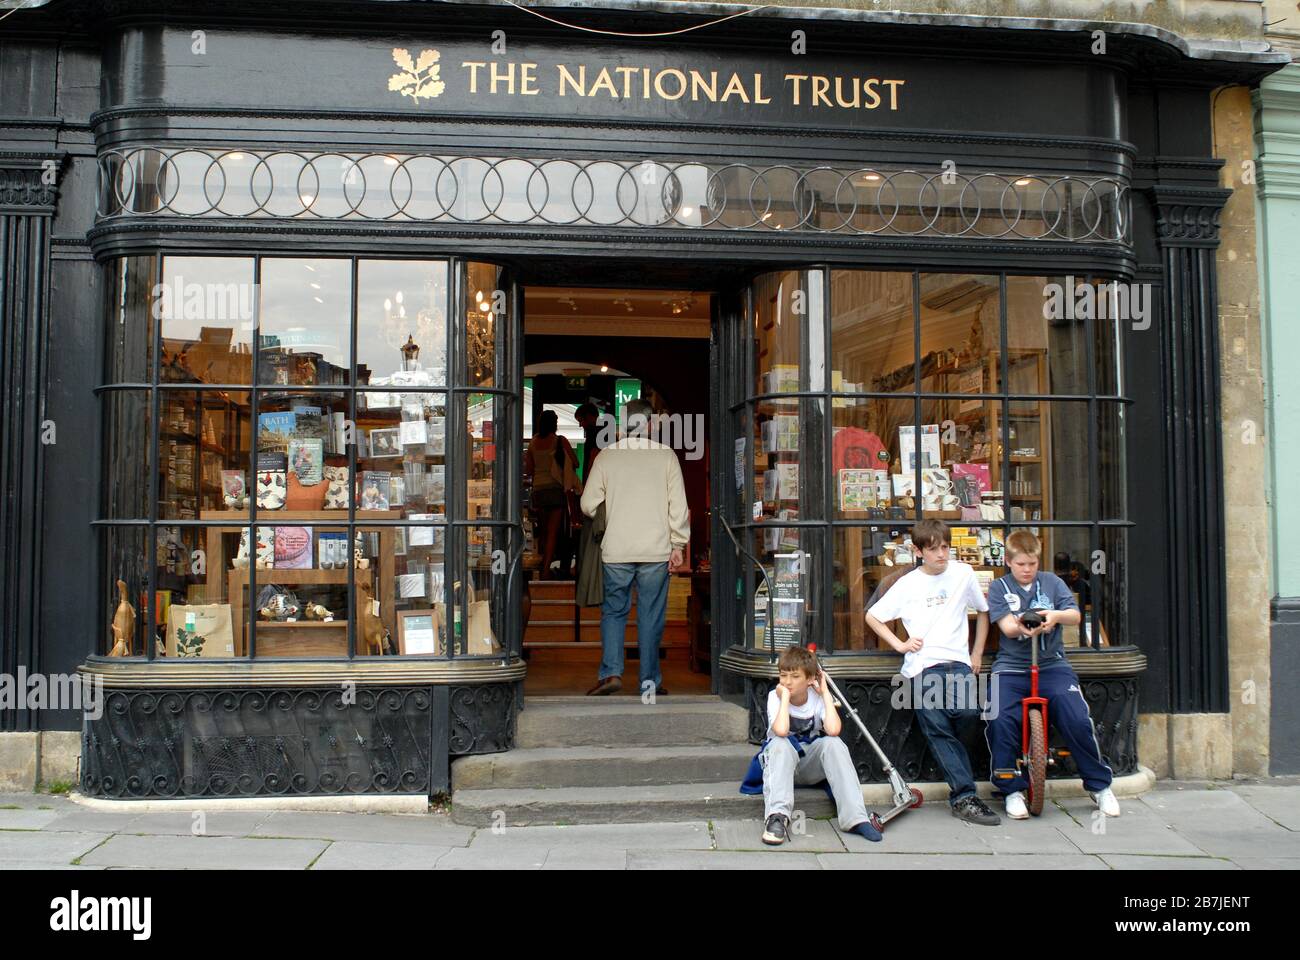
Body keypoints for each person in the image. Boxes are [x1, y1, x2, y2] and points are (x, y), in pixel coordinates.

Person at [864, 519, 1002, 825]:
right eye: (934, 549)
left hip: (958, 661)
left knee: (968, 714)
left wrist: (977, 651)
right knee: (938, 726)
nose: (942, 554)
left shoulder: (963, 573)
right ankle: (965, 797)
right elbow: (873, 616)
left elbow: (983, 610)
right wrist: (900, 644)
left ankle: (962, 785)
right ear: (918, 551)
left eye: (945, 547)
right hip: (922, 665)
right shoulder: (908, 584)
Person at [987, 531, 1119, 819]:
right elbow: (1007, 627)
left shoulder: (1052, 582)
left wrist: (1054, 616)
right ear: (1008, 561)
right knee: (1000, 718)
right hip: (1011, 666)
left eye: (1032, 564)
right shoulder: (999, 587)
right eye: (1021, 564)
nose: (1027, 570)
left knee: (1076, 716)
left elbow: (1074, 614)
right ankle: (1011, 790)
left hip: (1052, 664)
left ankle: (1099, 786)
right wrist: (1023, 625)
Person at [579, 398, 688, 696]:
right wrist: (678, 543)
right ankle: (649, 681)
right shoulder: (666, 456)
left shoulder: (606, 456)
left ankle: (611, 673)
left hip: (616, 549)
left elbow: (587, 504)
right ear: (650, 424)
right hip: (656, 550)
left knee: (614, 612)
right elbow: (678, 506)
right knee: (651, 614)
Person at [744, 645, 883, 846]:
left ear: (810, 679)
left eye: (795, 676)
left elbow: (834, 730)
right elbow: (781, 731)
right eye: (783, 676)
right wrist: (784, 699)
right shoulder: (776, 696)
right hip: (780, 765)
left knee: (833, 744)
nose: (787, 682)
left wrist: (825, 693)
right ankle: (777, 817)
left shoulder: (818, 698)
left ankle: (855, 818)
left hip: (808, 765)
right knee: (779, 743)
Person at [524, 410, 580, 580]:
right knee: (553, 533)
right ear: (553, 423)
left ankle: (541, 564)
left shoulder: (533, 443)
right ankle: (546, 570)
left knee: (542, 532)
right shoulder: (559, 441)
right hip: (555, 491)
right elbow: (575, 462)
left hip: (539, 491)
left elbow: (529, 470)